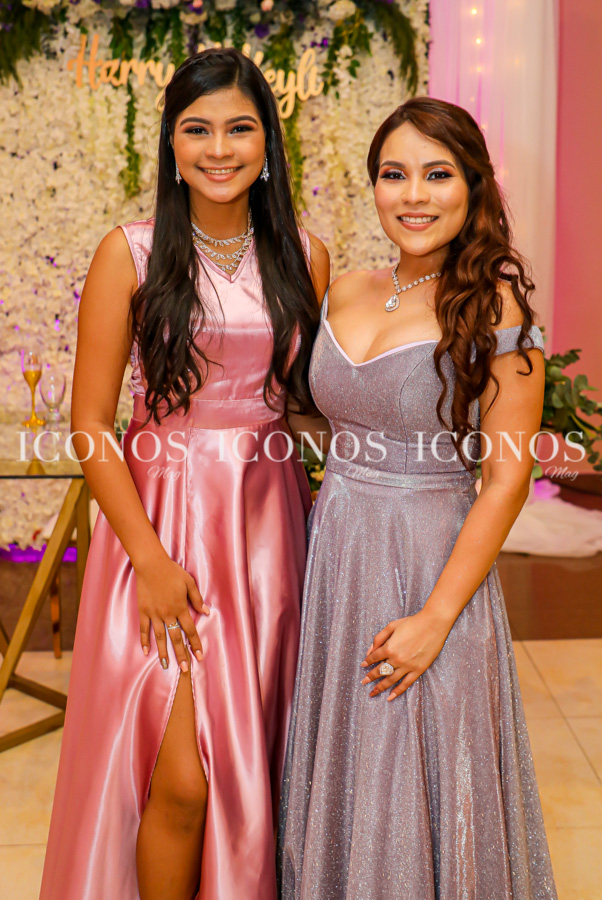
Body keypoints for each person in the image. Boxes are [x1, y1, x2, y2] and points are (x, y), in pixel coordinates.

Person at [40, 48, 330, 900]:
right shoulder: (128, 253)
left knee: (248, 770)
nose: (219, 148)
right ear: (170, 142)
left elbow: (304, 408)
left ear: (268, 143)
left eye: (239, 128)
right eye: (197, 129)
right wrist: (151, 561)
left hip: (268, 533)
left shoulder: (305, 255)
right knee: (180, 781)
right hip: (161, 526)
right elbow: (90, 427)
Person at [278, 97, 557, 899]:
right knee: (349, 770)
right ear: (372, 186)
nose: (413, 195)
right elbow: (319, 416)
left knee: (417, 772)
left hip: (431, 568)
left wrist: (436, 619)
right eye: (393, 174)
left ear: (474, 186)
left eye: (437, 175)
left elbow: (506, 481)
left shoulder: (495, 306)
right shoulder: (344, 290)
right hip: (339, 561)